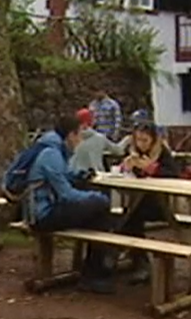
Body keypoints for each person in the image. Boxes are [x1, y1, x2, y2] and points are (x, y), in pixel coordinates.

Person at [27, 115, 118, 294]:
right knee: (100, 208)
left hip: (48, 208)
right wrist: (97, 197)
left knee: (98, 216)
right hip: (42, 214)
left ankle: (95, 271)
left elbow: (65, 175)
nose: (81, 139)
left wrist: (81, 175)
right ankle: (95, 272)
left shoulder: (56, 150)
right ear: (71, 135)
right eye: (79, 134)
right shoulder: (51, 154)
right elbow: (67, 194)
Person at [118, 123, 181, 284]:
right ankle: (137, 260)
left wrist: (151, 168)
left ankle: (139, 262)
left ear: (153, 140)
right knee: (127, 218)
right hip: (136, 201)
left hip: (158, 204)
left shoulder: (162, 153)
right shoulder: (133, 151)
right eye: (138, 139)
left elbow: (174, 175)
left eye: (145, 140)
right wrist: (125, 167)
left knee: (129, 219)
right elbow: (123, 171)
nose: (141, 144)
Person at [69, 108, 126, 173]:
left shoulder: (70, 138)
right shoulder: (99, 138)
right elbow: (119, 150)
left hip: (73, 175)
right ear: (91, 122)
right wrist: (127, 140)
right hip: (95, 175)